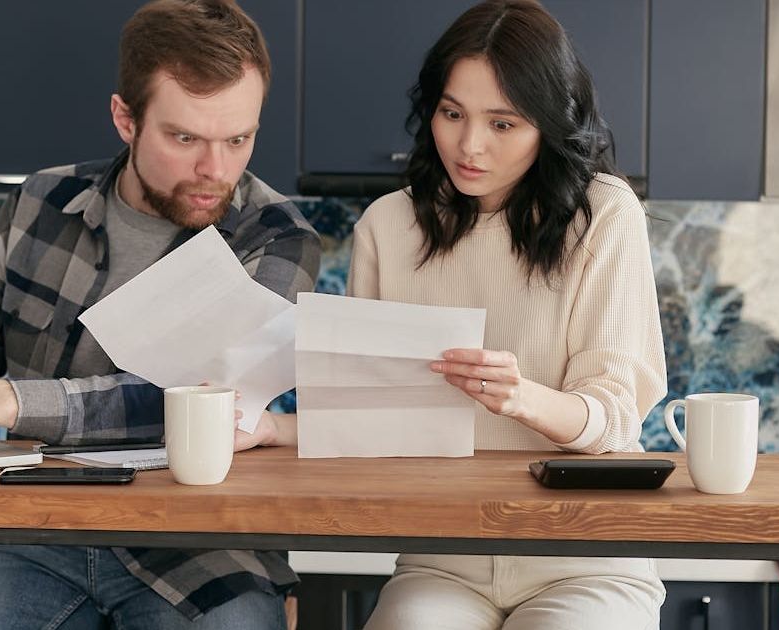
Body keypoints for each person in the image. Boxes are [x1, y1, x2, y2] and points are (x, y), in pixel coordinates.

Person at [0, 1, 320, 627]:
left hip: (204, 545)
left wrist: (4, 402)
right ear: (125, 119)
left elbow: (199, 400)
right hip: (38, 527)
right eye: (184, 138)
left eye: (238, 139)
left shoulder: (276, 238)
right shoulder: (40, 202)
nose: (217, 169)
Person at [245, 1, 667, 628]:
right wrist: (273, 429)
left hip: (588, 556)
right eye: (452, 114)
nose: (469, 146)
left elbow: (613, 414)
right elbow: (372, 417)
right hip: (443, 557)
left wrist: (519, 396)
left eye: (504, 124)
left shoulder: (604, 214)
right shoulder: (389, 225)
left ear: (549, 124)